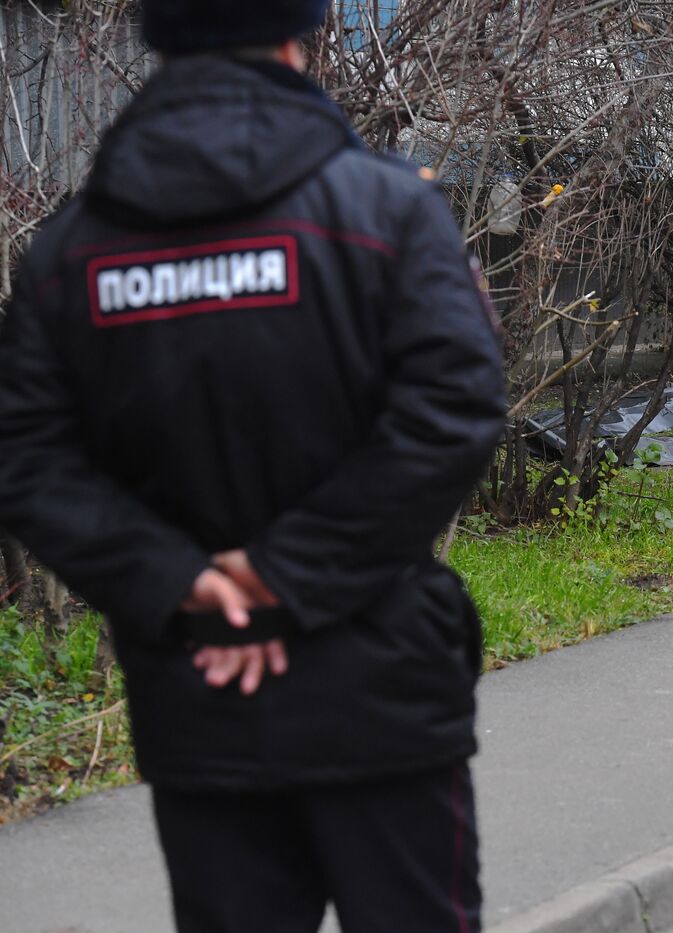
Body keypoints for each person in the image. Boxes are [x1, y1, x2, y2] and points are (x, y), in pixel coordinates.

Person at [0, 2, 506, 931]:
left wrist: (190, 584)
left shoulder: (71, 253)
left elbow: (29, 459)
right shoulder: (386, 208)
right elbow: (454, 409)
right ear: (296, 37)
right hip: (379, 696)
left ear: (156, 39)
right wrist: (276, 576)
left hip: (200, 703)